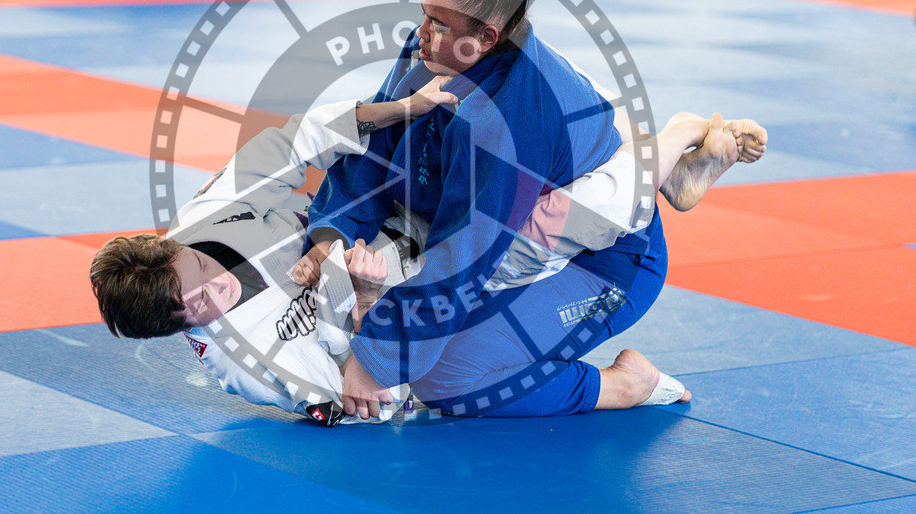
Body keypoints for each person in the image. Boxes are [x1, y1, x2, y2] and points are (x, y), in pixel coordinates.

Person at [90, 68, 765, 424]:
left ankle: (665, 156)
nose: (217, 290)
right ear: (179, 332)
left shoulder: (211, 213)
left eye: (201, 271)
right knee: (460, 365)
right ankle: (621, 382)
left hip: (403, 223)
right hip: (411, 295)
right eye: (197, 309)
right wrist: (367, 300)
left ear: (175, 243)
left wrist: (399, 110)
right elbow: (378, 389)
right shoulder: (247, 364)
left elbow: (301, 139)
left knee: (459, 116)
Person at [301, 0, 768, 420]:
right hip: (512, 222)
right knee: (324, 285)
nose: (420, 32)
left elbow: (466, 254)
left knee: (445, 380)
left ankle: (622, 386)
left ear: (485, 37)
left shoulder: (508, 122)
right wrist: (331, 230)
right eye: (424, 13)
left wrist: (377, 360)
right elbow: (378, 151)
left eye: (437, 22)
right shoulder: (437, 51)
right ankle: (671, 155)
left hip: (606, 262)